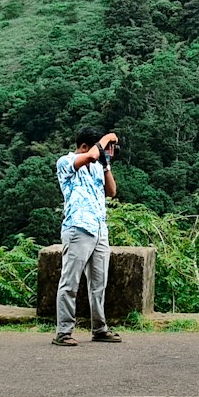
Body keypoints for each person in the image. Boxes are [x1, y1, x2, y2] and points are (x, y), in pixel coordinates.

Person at [53, 125, 123, 346]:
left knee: (99, 284)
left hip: (99, 229)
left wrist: (106, 163)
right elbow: (92, 153)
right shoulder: (66, 162)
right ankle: (63, 332)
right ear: (84, 146)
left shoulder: (96, 165)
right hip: (77, 228)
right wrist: (106, 140)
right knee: (70, 282)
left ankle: (99, 329)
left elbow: (111, 191)